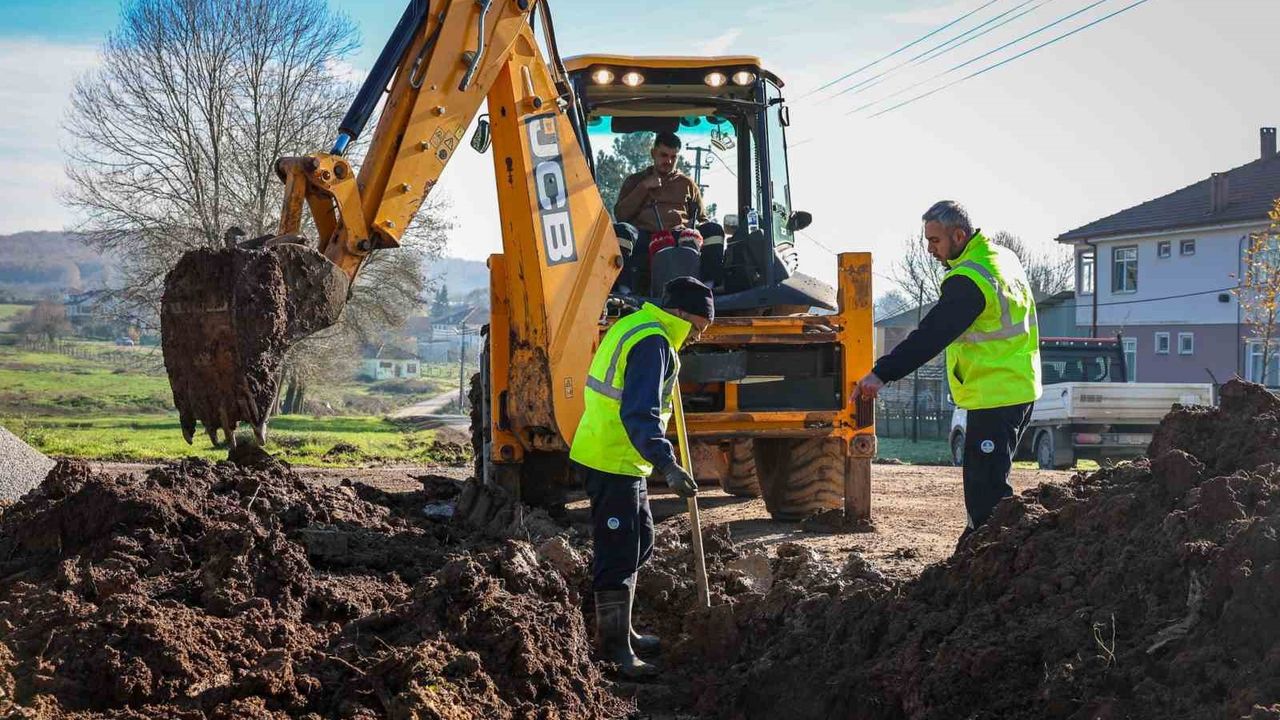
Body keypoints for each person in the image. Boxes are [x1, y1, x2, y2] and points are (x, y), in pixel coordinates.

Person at [854, 201, 1041, 542]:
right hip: (1018, 387)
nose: (930, 250)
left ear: (959, 235)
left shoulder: (969, 279)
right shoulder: (1001, 257)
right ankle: (980, 556)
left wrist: (882, 373)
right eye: (927, 241)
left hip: (995, 394)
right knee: (989, 485)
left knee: (986, 495)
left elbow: (932, 335)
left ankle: (992, 560)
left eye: (935, 241)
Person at [569, 276, 714, 678]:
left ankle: (624, 631)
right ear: (683, 314)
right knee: (618, 550)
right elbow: (639, 414)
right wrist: (668, 465)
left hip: (620, 458)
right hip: (610, 459)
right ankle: (614, 651)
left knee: (641, 539)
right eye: (698, 328)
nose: (695, 338)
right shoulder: (653, 344)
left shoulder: (637, 326)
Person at [613, 132, 707, 233]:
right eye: (664, 155)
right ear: (653, 153)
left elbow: (702, 220)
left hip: (679, 239)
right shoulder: (634, 181)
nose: (669, 161)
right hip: (643, 239)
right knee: (621, 230)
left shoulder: (687, 184)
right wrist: (643, 187)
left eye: (673, 157)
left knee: (712, 229)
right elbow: (620, 216)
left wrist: (693, 230)